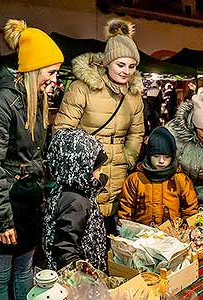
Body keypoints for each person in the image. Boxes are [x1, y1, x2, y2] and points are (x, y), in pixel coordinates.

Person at [0, 19, 63, 300]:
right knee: (0, 277)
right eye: (51, 72)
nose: (54, 79)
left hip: (27, 202)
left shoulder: (35, 100)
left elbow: (34, 155)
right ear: (34, 69)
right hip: (7, 203)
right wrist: (3, 220)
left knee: (24, 269)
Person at [53, 19, 144, 230]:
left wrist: (128, 156)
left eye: (132, 66)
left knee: (113, 238)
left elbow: (137, 132)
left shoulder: (134, 95)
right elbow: (62, 132)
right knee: (82, 235)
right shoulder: (81, 88)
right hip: (86, 175)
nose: (126, 71)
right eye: (120, 65)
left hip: (119, 174)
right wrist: (85, 164)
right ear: (107, 62)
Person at [43, 128, 108, 271]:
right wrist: (81, 275)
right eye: (97, 169)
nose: (101, 172)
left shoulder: (74, 191)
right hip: (79, 279)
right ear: (80, 169)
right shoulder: (75, 200)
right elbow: (65, 247)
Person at [118, 127, 198, 226]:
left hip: (173, 234)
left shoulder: (180, 179)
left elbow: (190, 208)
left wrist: (187, 226)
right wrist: (125, 228)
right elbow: (126, 207)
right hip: (141, 235)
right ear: (149, 156)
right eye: (156, 156)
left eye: (166, 157)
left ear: (172, 157)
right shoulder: (135, 179)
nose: (161, 161)